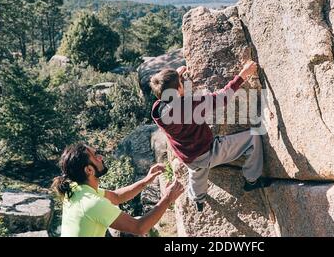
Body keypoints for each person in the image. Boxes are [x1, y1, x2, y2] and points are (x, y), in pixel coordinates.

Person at [150, 60, 272, 212]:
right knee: (253, 138)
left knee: (197, 173)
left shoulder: (158, 110)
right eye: (181, 82)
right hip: (207, 152)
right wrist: (242, 75)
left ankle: (197, 199)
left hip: (186, 155)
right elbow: (222, 98)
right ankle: (252, 180)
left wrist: (175, 78)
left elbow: (170, 97)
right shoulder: (191, 105)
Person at [52, 142, 184, 237]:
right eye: (96, 155)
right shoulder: (92, 203)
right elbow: (139, 227)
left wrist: (146, 180)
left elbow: (116, 197)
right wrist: (168, 198)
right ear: (89, 170)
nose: (101, 157)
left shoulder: (76, 190)